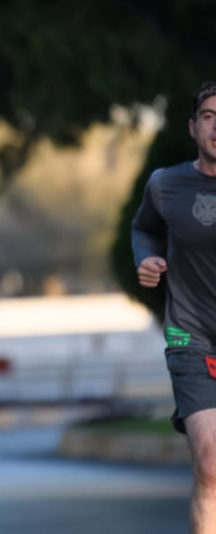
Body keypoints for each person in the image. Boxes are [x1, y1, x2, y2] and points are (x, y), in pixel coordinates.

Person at [132, 80, 216, 534]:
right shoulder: (166, 184)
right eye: (208, 116)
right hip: (191, 338)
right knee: (211, 466)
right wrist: (145, 258)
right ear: (193, 127)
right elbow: (142, 227)